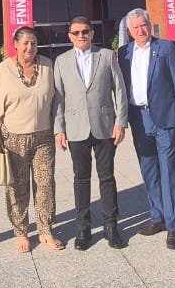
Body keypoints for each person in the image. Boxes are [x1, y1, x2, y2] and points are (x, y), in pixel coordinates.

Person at [0, 26, 65, 253]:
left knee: (45, 184)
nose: (30, 47)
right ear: (15, 45)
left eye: (34, 43)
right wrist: (1, 127)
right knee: (17, 187)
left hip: (43, 136)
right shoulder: (3, 70)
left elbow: (58, 99)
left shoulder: (47, 66)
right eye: (25, 43)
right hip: (14, 138)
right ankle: (21, 232)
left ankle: (45, 229)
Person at [118, 7, 175, 250]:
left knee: (169, 173)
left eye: (144, 25)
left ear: (150, 26)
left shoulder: (167, 48)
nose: (140, 30)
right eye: (135, 27)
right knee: (149, 171)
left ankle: (173, 226)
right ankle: (157, 217)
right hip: (139, 119)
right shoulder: (124, 52)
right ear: (129, 31)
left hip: (165, 118)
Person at [53, 16, 128, 250]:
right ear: (70, 36)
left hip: (104, 126)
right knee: (81, 179)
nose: (81, 35)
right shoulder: (61, 61)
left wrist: (121, 122)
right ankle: (83, 228)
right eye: (76, 32)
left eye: (85, 31)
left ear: (92, 33)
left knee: (107, 177)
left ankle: (111, 226)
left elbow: (120, 89)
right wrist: (59, 129)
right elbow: (58, 98)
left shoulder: (106, 56)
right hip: (76, 128)